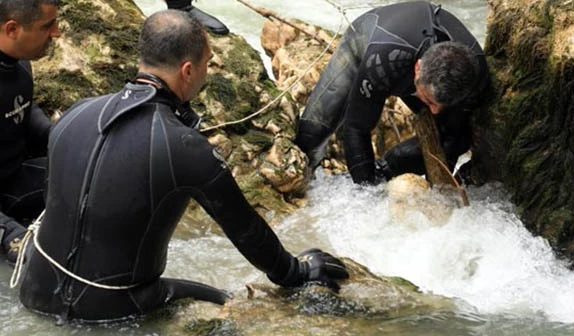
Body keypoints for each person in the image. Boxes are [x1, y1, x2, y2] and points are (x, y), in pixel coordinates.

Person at [17, 10, 347, 323]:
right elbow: (246, 230)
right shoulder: (185, 147)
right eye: (207, 64)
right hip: (109, 307)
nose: (206, 72)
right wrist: (297, 273)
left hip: (32, 290)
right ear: (187, 71)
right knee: (223, 297)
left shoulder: (76, 113)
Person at [294, 1, 488, 184]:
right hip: (369, 41)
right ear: (417, 68)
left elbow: (453, 141)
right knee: (312, 135)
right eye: (429, 101)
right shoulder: (383, 62)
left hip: (414, 68)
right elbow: (355, 129)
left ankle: (384, 170)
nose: (435, 111)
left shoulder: (475, 74)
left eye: (440, 105)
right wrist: (365, 194)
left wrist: (441, 191)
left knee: (455, 136)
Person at [0, 0, 60, 263]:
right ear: (12, 29)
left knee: (98, 178)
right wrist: (8, 233)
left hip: (12, 181)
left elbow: (22, 108)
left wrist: (60, 136)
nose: (57, 32)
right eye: (47, 26)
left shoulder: (19, 64)